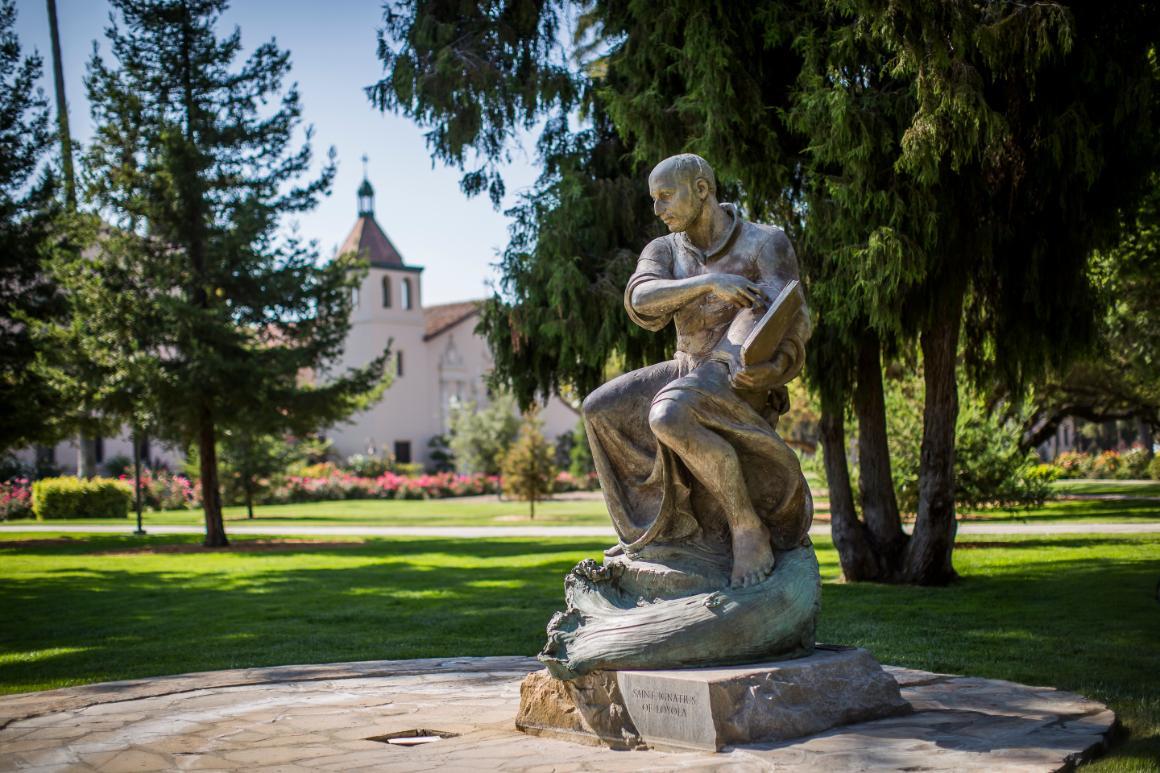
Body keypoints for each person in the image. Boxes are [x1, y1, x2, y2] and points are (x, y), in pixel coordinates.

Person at [581, 153, 811, 588]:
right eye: (654, 199)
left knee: (669, 413)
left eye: (666, 196)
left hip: (738, 374)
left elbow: (792, 319)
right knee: (600, 410)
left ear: (701, 189)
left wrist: (776, 369)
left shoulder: (764, 242)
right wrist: (707, 283)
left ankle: (747, 527)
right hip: (688, 367)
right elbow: (640, 299)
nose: (658, 209)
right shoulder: (665, 248)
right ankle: (652, 533)